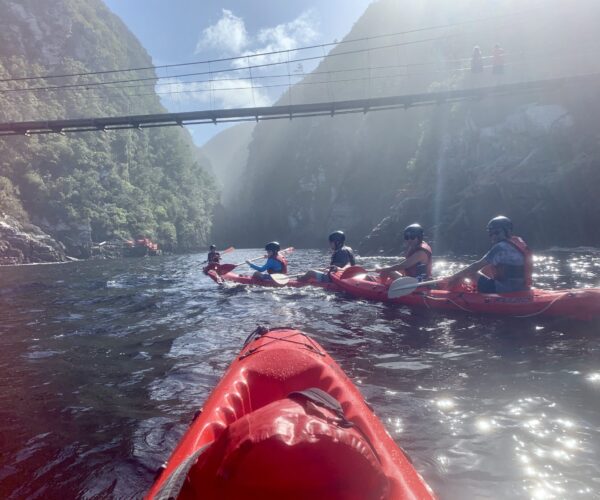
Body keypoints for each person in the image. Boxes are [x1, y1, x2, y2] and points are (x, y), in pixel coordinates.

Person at [447, 216, 533, 293]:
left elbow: (475, 266)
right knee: (488, 267)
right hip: (523, 289)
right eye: (491, 233)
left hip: (504, 291)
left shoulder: (500, 247)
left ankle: (452, 292)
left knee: (470, 272)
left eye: (497, 233)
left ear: (508, 231)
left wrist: (454, 277)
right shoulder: (521, 243)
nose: (494, 236)